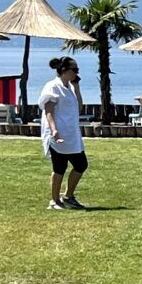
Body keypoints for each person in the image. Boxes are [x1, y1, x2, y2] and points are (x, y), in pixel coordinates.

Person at [40, 54, 88, 209]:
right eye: (74, 69)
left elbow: (79, 107)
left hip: (71, 134)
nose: (77, 73)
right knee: (59, 167)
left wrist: (77, 88)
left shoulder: (69, 88)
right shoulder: (53, 86)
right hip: (58, 133)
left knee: (81, 164)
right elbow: (49, 111)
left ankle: (68, 196)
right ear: (64, 70)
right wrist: (54, 130)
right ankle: (54, 201)